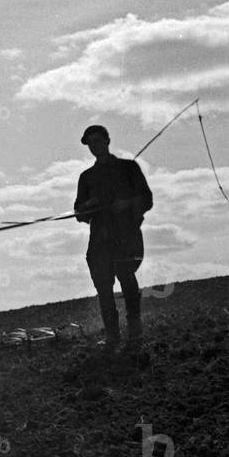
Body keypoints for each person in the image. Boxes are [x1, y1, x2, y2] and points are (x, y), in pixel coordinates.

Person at [73, 125, 153, 351]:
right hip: (99, 240)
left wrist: (126, 204)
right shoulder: (86, 177)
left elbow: (146, 199)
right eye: (90, 143)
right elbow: (79, 213)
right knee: (103, 287)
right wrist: (89, 205)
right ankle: (112, 336)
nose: (94, 146)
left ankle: (135, 331)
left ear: (107, 140)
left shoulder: (128, 168)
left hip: (126, 236)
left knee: (127, 278)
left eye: (97, 141)